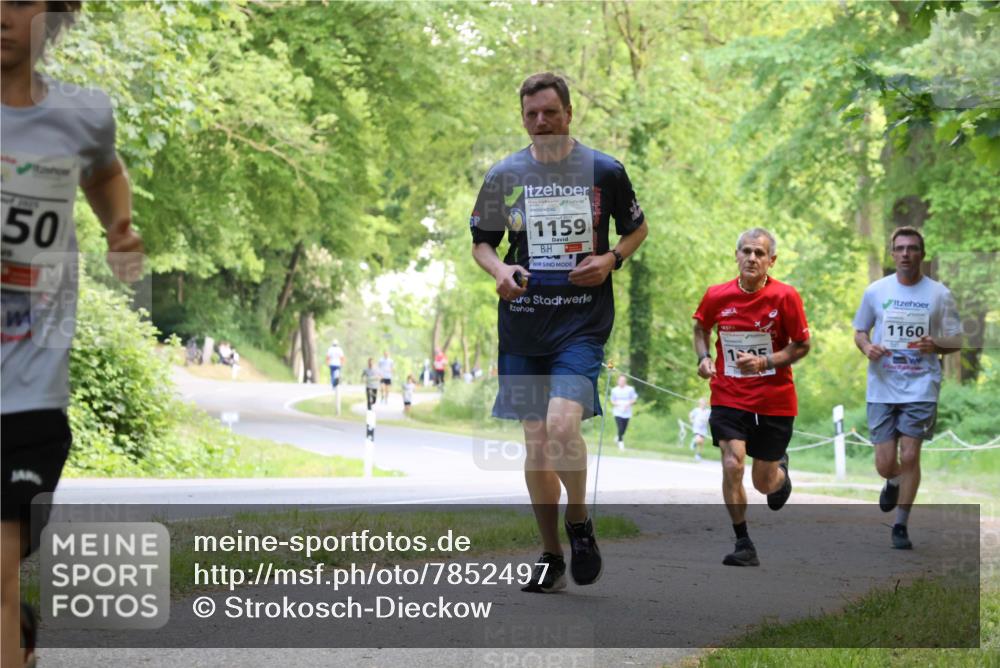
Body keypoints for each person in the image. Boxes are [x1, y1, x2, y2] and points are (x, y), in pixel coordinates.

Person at [1, 3, 144, 667]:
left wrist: (119, 226)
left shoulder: (82, 116)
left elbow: (106, 171)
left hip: (27, 395)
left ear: (52, 18)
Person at [471, 72, 648, 593]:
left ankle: (579, 522)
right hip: (524, 327)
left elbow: (637, 227)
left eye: (550, 112)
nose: (542, 122)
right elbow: (483, 242)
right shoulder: (505, 174)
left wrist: (612, 258)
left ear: (569, 113)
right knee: (536, 442)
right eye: (532, 114)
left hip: (580, 324)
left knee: (563, 428)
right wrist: (500, 272)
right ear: (523, 118)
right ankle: (551, 555)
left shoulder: (604, 171)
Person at [692, 228, 810, 567]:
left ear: (771, 260)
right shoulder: (717, 295)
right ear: (736, 255)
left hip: (775, 398)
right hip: (729, 393)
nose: (752, 258)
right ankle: (743, 542)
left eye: (760, 253)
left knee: (763, 483)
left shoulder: (785, 297)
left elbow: (802, 345)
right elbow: (701, 326)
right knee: (732, 463)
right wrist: (703, 358)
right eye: (746, 251)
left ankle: (780, 474)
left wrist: (767, 361)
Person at [852, 226, 961, 550]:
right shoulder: (876, 291)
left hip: (921, 386)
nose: (905, 254)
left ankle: (900, 524)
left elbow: (956, 341)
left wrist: (936, 344)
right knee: (885, 463)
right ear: (892, 253)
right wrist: (867, 347)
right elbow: (860, 331)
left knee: (911, 454)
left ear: (921, 254)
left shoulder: (939, 294)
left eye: (912, 248)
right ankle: (894, 480)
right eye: (899, 248)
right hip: (883, 386)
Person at [609, 375, 638, 451]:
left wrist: (628, 404)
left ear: (625, 382)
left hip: (627, 411)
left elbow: (634, 399)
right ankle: (621, 444)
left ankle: (618, 437)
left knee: (624, 429)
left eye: (623, 381)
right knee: (620, 427)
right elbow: (612, 400)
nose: (622, 382)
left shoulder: (630, 389)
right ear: (618, 381)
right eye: (620, 380)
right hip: (617, 411)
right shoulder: (614, 390)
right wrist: (618, 405)